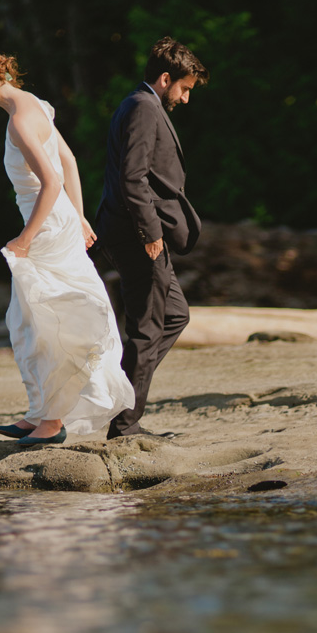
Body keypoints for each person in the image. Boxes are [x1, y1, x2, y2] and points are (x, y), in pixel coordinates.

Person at [0, 47, 134, 445]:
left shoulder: (19, 120)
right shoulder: (37, 104)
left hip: (47, 227)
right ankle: (40, 413)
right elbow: (68, 161)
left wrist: (26, 238)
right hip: (59, 219)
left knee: (44, 324)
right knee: (30, 320)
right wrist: (81, 216)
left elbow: (51, 181)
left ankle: (51, 421)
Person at [96, 36, 208, 439]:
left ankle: (122, 395)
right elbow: (133, 176)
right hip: (137, 234)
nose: (186, 98)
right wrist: (150, 231)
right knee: (147, 328)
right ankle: (125, 425)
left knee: (175, 315)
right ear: (166, 78)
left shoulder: (139, 105)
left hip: (135, 232)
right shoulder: (143, 108)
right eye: (184, 88)